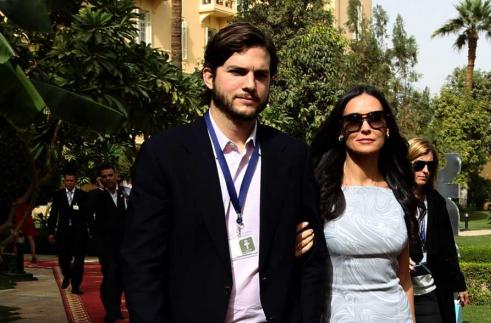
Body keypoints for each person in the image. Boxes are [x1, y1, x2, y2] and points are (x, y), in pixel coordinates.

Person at [120, 22, 326, 322]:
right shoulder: (165, 155)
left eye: (261, 75)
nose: (250, 84)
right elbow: (141, 263)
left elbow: (311, 258)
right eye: (237, 71)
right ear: (208, 76)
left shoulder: (292, 155)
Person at [310, 85, 420, 322]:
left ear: (387, 127)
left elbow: (405, 280)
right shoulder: (318, 191)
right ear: (341, 130)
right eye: (354, 120)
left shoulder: (399, 193)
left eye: (375, 118)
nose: (366, 128)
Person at [407, 138, 469, 323]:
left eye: (430, 165)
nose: (425, 170)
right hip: (398, 290)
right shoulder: (393, 198)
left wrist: (460, 284)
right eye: (418, 165)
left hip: (430, 289)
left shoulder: (436, 202)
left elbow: (447, 248)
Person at [90, 164, 129, 323]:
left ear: (116, 175)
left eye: (110, 175)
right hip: (106, 247)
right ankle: (110, 311)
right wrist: (99, 189)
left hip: (125, 246)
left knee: (121, 278)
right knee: (110, 277)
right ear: (100, 179)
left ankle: (117, 308)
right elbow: (88, 208)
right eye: (104, 176)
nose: (108, 179)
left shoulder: (126, 193)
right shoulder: (97, 195)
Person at [48, 171, 90, 294]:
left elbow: (87, 215)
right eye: (67, 180)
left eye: (72, 180)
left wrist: (90, 231)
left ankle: (76, 286)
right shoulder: (58, 195)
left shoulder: (82, 195)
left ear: (75, 181)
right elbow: (54, 214)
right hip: (63, 233)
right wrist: (51, 232)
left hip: (79, 233)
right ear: (64, 181)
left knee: (78, 261)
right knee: (63, 259)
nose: (70, 182)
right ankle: (67, 275)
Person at [14, 198, 37, 263]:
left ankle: (17, 256)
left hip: (20, 221)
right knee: (30, 237)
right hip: (27, 220)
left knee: (19, 238)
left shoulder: (18, 200)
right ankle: (33, 255)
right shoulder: (29, 199)